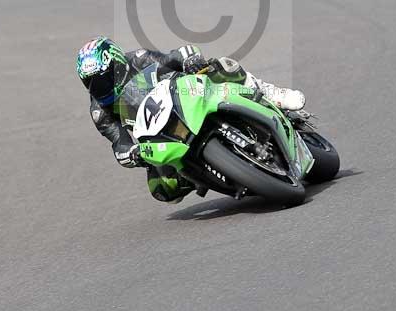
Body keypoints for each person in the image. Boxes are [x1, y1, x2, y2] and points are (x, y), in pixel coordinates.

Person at [76, 36, 306, 204]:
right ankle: (209, 175)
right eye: (91, 83)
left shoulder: (139, 58)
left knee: (220, 66)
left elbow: (176, 55)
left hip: (186, 97)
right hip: (160, 134)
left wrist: (190, 59)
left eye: (103, 79)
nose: (99, 88)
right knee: (163, 189)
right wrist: (132, 153)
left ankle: (271, 93)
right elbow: (119, 142)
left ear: (115, 64)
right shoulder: (100, 112)